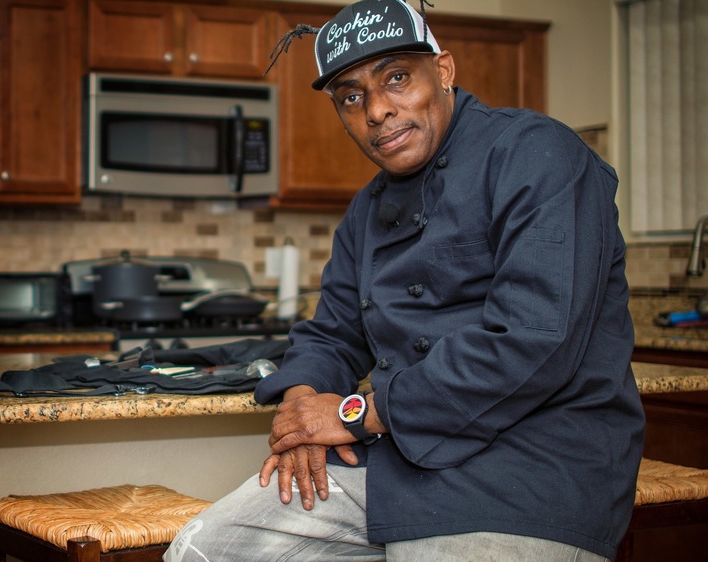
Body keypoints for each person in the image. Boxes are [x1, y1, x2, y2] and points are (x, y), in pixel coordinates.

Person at [164, 0, 645, 560]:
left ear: (443, 71)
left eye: (396, 78)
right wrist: (302, 411)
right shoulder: (366, 210)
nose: (377, 110)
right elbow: (334, 334)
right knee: (203, 550)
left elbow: (533, 340)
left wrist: (351, 415)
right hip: (399, 466)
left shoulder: (539, 155)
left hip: (532, 471)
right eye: (351, 96)